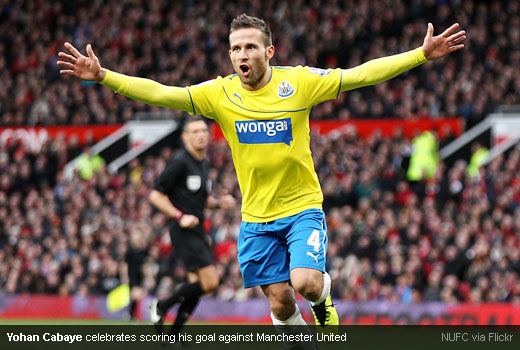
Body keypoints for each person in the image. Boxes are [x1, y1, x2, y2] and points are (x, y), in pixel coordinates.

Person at [57, 13, 465, 332]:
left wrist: (420, 54)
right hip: (255, 218)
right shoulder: (219, 94)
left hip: (302, 206)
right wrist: (105, 77)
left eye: (251, 47)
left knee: (305, 283)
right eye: (236, 48)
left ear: (269, 53)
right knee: (281, 303)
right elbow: (164, 94)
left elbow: (360, 75)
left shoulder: (300, 83)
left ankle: (323, 304)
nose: (242, 55)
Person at [148, 116, 235, 337]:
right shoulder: (179, 162)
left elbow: (201, 199)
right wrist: (179, 216)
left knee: (196, 285)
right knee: (211, 281)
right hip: (183, 230)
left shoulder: (203, 164)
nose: (201, 135)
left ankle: (174, 335)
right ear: (185, 137)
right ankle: (161, 306)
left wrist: (218, 204)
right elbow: (156, 196)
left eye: (204, 131)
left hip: (198, 230)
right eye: (195, 131)